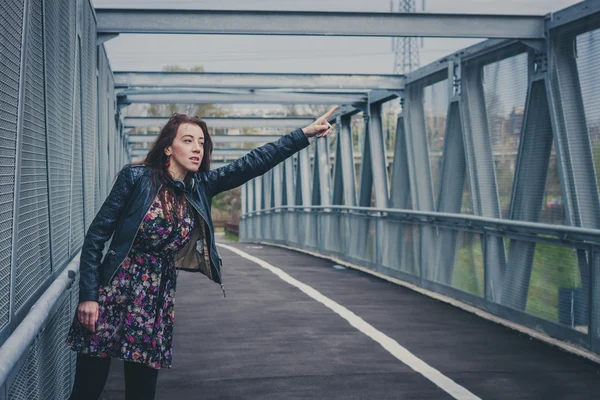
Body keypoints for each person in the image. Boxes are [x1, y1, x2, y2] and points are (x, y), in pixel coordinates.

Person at [65, 105, 339, 400]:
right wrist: (89, 296)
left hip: (155, 300)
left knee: (142, 392)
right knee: (87, 390)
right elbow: (97, 237)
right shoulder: (136, 178)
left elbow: (253, 162)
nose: (197, 148)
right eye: (188, 140)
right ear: (168, 148)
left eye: (201, 142)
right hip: (113, 291)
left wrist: (304, 134)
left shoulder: (200, 187)